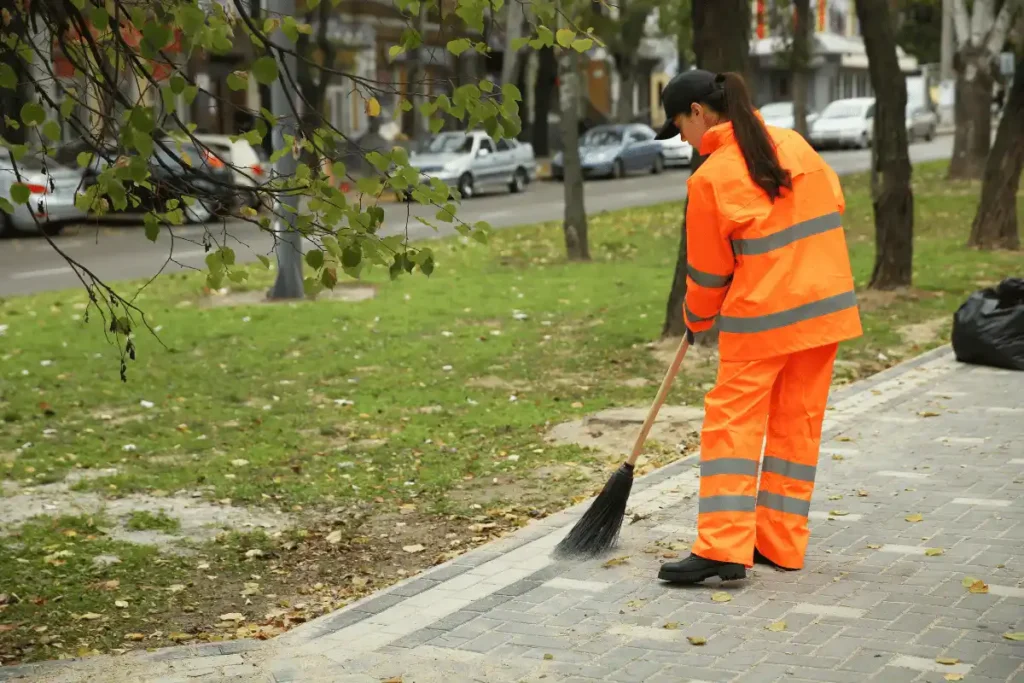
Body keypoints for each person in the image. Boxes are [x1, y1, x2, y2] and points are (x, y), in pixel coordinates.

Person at [653, 70, 863, 585]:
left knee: (731, 425)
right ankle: (779, 541)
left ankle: (723, 547)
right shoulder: (794, 145)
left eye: (679, 125)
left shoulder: (711, 177)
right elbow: (833, 205)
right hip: (824, 311)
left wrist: (698, 317)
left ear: (699, 112)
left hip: (764, 319)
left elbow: (706, 272)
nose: (682, 138)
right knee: (797, 423)